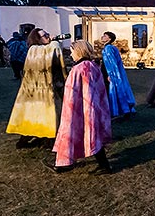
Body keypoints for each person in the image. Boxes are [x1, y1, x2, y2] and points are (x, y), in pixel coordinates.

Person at [47, 39, 112, 174]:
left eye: (72, 52)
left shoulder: (79, 69)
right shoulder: (93, 66)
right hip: (92, 108)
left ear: (79, 51)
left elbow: (72, 92)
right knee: (92, 133)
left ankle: (64, 163)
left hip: (78, 109)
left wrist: (70, 110)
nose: (71, 55)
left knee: (74, 132)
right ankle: (64, 162)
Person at [7, 28, 67, 148]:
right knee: (46, 114)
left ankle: (38, 139)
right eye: (45, 35)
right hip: (40, 89)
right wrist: (55, 41)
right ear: (37, 39)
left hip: (37, 90)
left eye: (47, 34)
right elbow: (53, 52)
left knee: (36, 115)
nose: (48, 36)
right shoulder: (35, 50)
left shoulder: (36, 50)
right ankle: (46, 140)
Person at [99, 31, 137, 117]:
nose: (102, 37)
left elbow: (112, 63)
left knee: (113, 90)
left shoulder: (108, 48)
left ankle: (120, 110)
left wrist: (110, 74)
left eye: (104, 36)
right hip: (109, 72)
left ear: (109, 39)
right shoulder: (111, 47)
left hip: (109, 73)